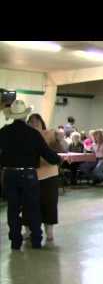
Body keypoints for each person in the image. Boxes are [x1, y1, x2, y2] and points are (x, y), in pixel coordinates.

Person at [0, 100, 62, 250]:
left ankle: (15, 242)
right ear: (24, 116)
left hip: (10, 174)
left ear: (13, 116)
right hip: (29, 174)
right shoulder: (33, 133)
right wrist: (58, 159)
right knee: (33, 208)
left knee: (13, 209)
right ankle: (36, 241)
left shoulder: (3, 132)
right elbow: (47, 154)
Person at [22, 113, 64, 242]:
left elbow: (59, 150)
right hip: (30, 174)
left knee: (49, 203)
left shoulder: (50, 133)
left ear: (42, 123)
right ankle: (28, 230)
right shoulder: (24, 136)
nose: (34, 124)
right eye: (31, 121)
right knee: (28, 204)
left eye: (37, 121)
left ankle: (49, 231)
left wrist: (58, 139)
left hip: (49, 174)